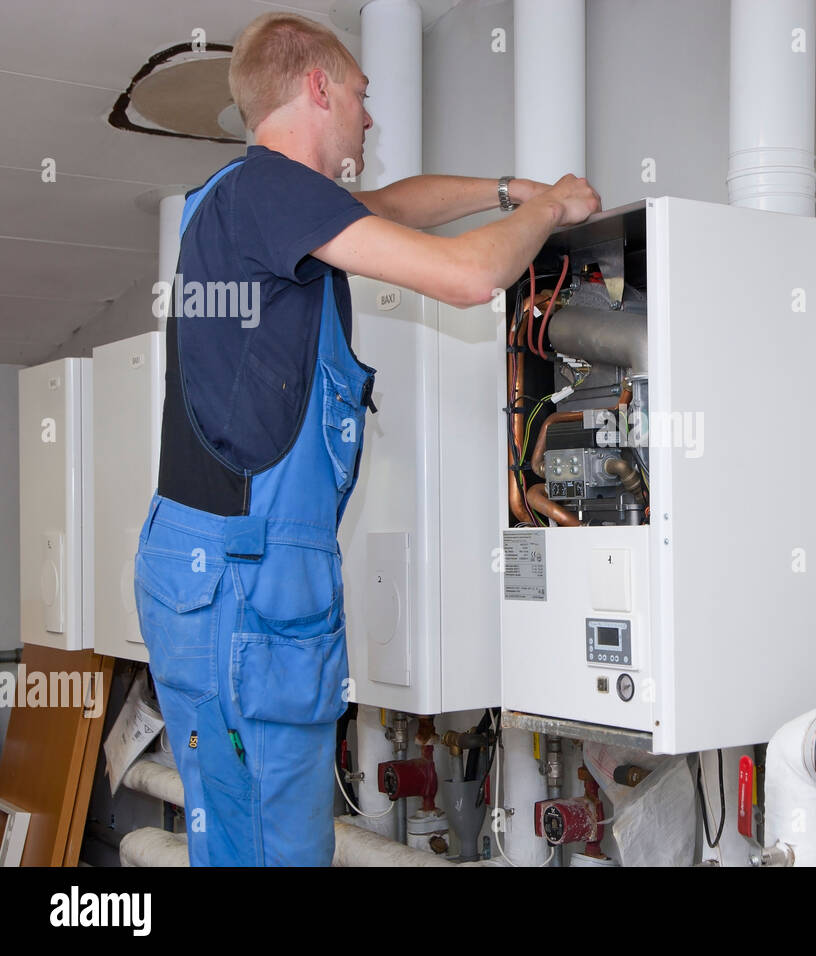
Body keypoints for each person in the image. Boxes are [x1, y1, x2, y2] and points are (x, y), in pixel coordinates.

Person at [132, 11, 600, 866]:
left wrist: (507, 191)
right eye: (359, 93)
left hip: (207, 580)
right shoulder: (270, 193)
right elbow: (468, 276)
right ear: (317, 87)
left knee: (232, 841)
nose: (369, 116)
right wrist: (557, 208)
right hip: (253, 587)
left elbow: (389, 205)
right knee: (276, 851)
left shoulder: (241, 201)